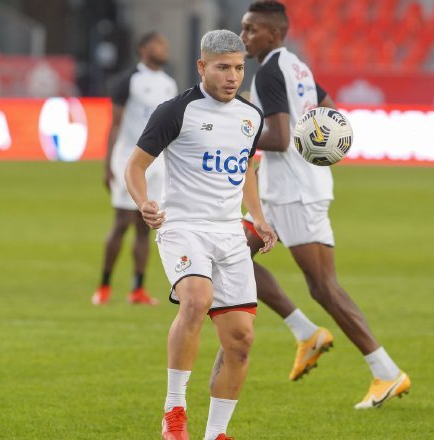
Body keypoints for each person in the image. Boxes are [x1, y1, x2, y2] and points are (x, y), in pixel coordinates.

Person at [239, 0, 410, 409]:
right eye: (243, 29)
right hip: (285, 188)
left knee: (325, 288)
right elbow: (331, 113)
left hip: (297, 193)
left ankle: (386, 372)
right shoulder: (297, 67)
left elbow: (279, 138)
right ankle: (305, 333)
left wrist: (237, 135)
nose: (244, 36)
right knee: (227, 254)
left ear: (274, 33)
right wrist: (314, 151)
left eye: (251, 29)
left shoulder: (268, 73)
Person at [125, 30, 277, 440]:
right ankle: (174, 411)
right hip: (182, 226)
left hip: (229, 233)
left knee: (241, 340)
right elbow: (135, 166)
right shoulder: (176, 111)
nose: (233, 77)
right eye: (223, 67)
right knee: (196, 299)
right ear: (202, 67)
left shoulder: (250, 116)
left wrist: (258, 216)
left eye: (240, 68)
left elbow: (246, 169)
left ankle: (217, 434)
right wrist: (144, 202)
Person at [92, 32, 178, 306]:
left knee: (146, 226)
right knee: (121, 223)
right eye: (158, 43)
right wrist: (108, 165)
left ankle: (137, 289)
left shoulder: (169, 84)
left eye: (164, 43)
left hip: (158, 163)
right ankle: (104, 285)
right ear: (143, 49)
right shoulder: (128, 80)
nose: (164, 48)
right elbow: (115, 124)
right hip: (129, 159)